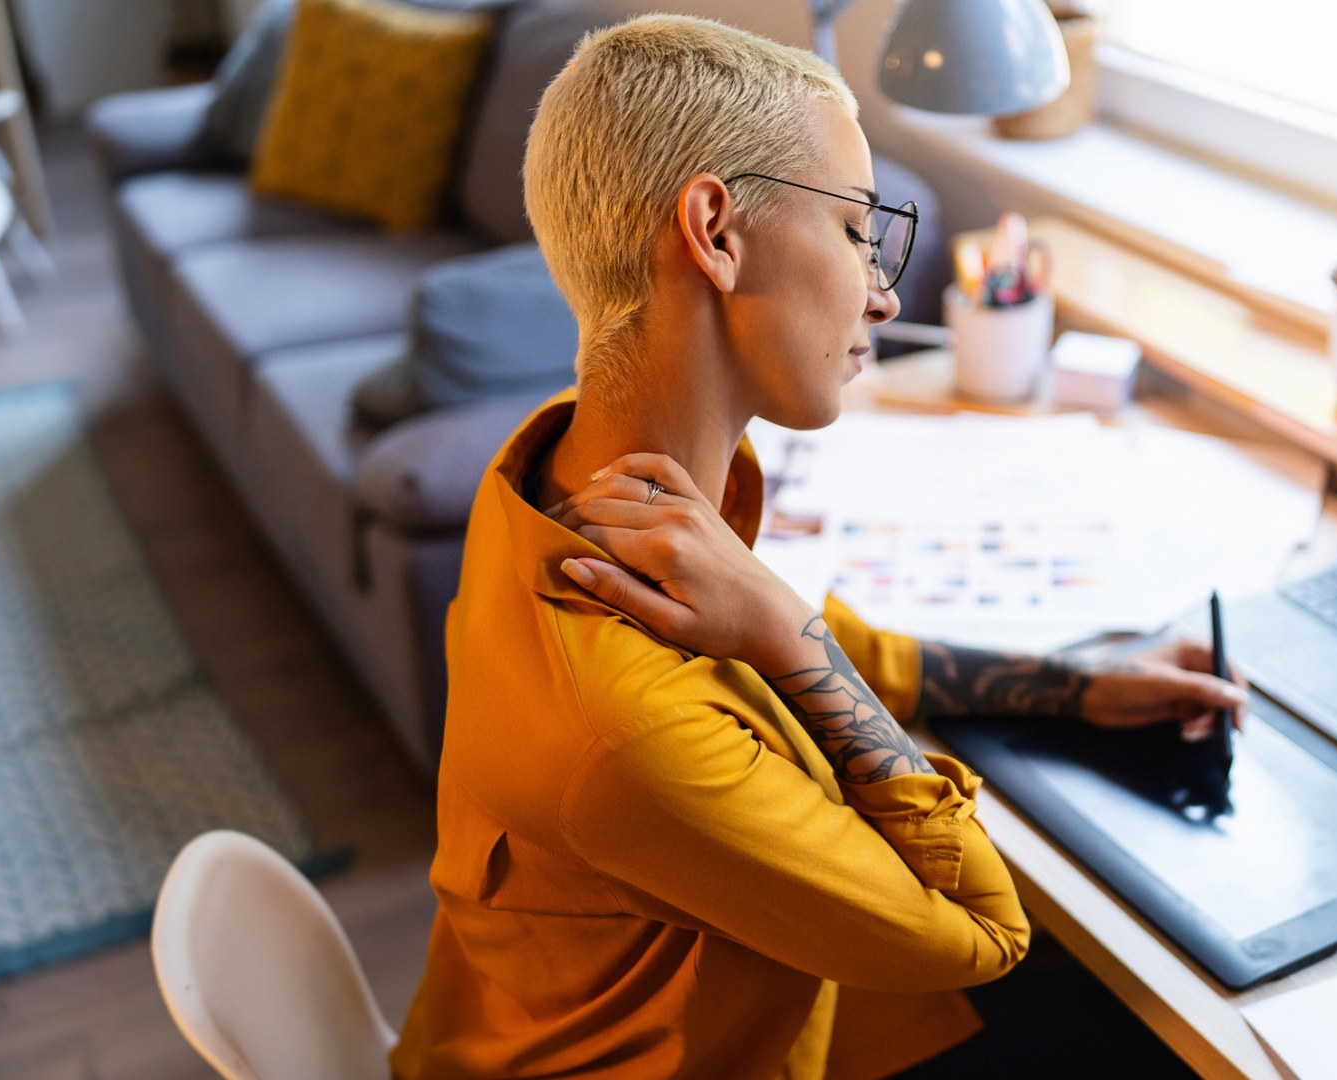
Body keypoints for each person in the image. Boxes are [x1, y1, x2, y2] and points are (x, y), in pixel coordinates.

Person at [390, 15, 1245, 1080]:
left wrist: (1077, 686)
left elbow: (840, 642)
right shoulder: (629, 729)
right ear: (715, 229)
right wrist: (794, 643)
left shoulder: (569, 471)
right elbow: (979, 930)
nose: (884, 293)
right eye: (856, 231)